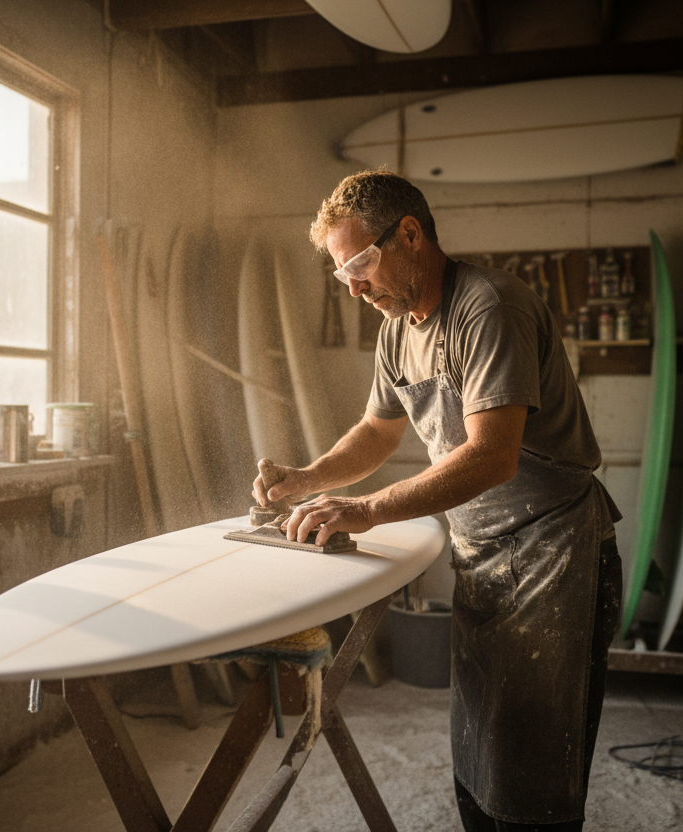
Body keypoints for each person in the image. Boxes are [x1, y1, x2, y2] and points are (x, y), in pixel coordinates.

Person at [254, 170, 622, 831]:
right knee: (482, 743)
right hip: (483, 552)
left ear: (411, 235)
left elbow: (492, 454)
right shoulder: (398, 328)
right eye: (343, 277)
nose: (355, 287)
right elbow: (376, 430)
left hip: (554, 551)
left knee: (535, 762)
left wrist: (364, 510)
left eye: (360, 265)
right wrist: (308, 479)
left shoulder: (488, 307)